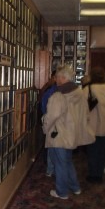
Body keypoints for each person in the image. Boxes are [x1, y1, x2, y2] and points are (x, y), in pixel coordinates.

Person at [43, 66, 95, 199]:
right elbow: (86, 115)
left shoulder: (59, 95)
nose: (56, 79)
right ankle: (75, 187)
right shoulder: (79, 93)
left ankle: (62, 192)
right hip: (72, 135)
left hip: (59, 135)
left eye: (58, 77)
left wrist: (44, 127)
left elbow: (51, 117)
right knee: (67, 161)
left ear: (63, 78)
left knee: (59, 164)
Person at [83, 67, 105, 183]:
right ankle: (99, 174)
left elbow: (82, 107)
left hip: (93, 126)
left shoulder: (89, 88)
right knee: (102, 153)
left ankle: (93, 175)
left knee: (92, 152)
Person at [40, 70, 57, 177]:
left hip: (51, 121)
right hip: (55, 122)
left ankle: (50, 169)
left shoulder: (52, 90)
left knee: (51, 146)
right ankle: (52, 169)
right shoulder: (51, 89)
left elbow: (44, 106)